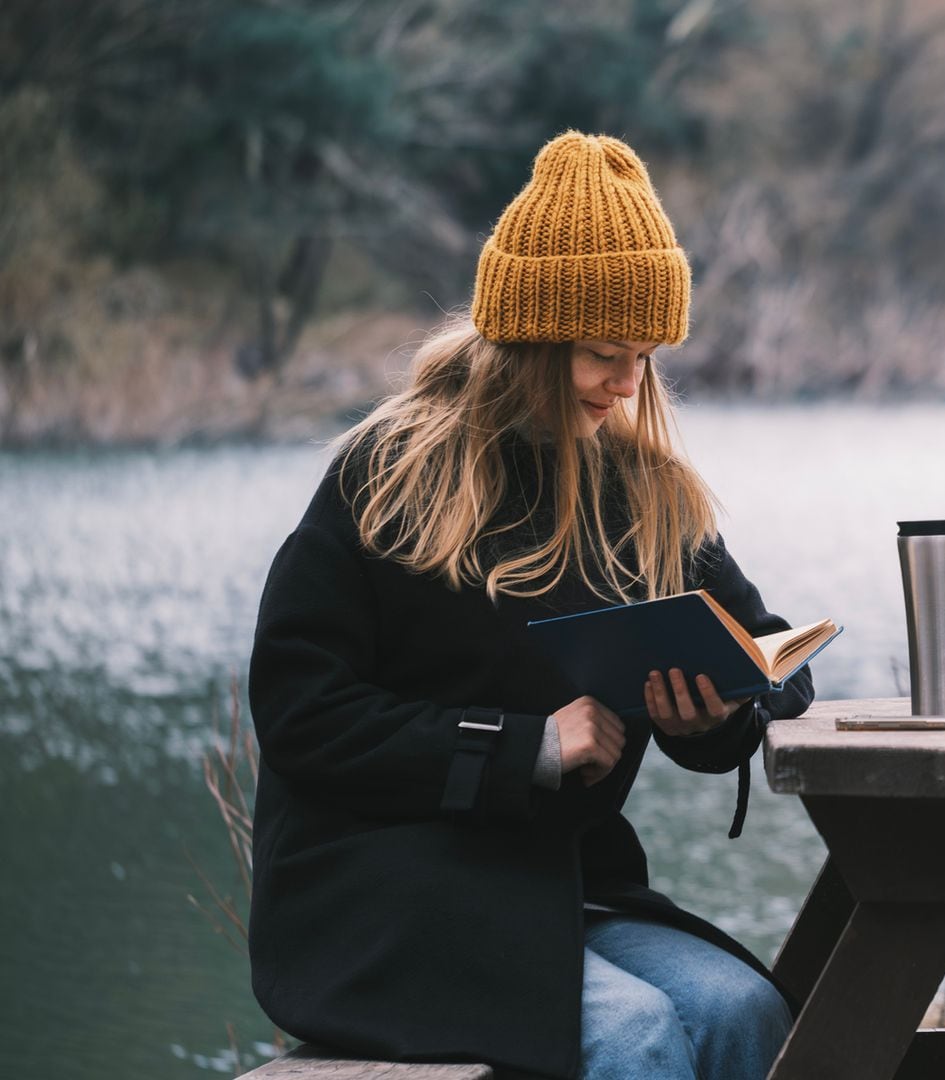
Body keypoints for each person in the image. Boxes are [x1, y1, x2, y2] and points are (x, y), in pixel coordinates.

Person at [246, 131, 811, 1080]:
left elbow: (761, 651)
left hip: (562, 887)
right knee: (636, 1036)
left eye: (645, 356)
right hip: (383, 900)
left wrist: (718, 717)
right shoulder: (386, 476)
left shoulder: (643, 488)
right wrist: (530, 749)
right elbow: (303, 714)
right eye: (602, 354)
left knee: (743, 1014)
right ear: (529, 340)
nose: (628, 384)